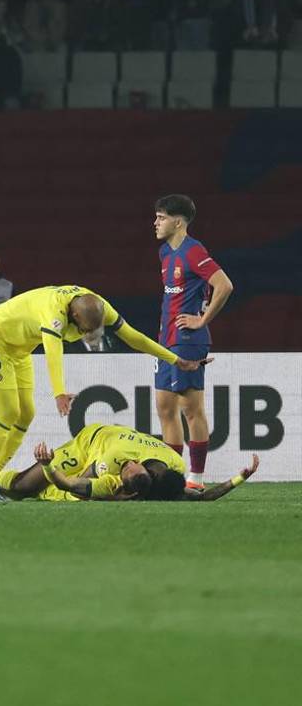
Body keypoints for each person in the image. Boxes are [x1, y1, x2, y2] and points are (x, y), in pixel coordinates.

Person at [0, 284, 209, 503]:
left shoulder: (100, 307)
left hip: (18, 350)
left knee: (25, 415)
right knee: (8, 412)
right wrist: (59, 393)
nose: (88, 335)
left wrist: (175, 360)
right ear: (74, 317)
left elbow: (134, 337)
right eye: (85, 330)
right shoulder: (53, 311)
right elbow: (53, 352)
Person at [0, 423, 259, 503]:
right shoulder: (113, 463)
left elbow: (200, 496)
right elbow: (76, 480)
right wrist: (51, 468)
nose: (128, 466)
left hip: (105, 443)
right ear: (148, 469)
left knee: (32, 489)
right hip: (89, 443)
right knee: (25, 487)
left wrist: (239, 478)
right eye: (130, 467)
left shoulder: (167, 469)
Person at [153, 194, 234, 491]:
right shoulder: (165, 252)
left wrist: (202, 320)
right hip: (166, 338)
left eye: (161, 217)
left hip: (187, 340)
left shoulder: (193, 250)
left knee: (191, 408)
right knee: (163, 406)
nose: (156, 222)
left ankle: (196, 479)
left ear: (178, 221)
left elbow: (224, 285)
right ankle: (173, 477)